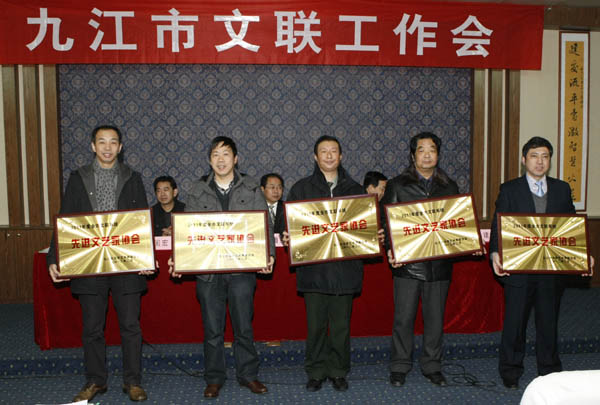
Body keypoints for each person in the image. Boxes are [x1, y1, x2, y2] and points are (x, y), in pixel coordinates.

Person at [47, 125, 151, 402]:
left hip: (126, 262)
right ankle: (95, 381)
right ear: (93, 146)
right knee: (92, 327)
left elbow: (142, 219)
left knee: (130, 326)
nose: (107, 147)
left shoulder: (133, 178)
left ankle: (133, 381)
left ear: (120, 147)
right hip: (90, 262)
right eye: (102, 142)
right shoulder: (78, 178)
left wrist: (146, 256)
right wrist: (54, 256)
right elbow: (66, 219)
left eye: (113, 142)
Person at [169, 136, 275, 399]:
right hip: (208, 273)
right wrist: (178, 258)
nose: (221, 159)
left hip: (242, 271)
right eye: (215, 154)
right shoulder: (197, 190)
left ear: (235, 159)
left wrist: (269, 255)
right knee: (212, 330)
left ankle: (248, 375)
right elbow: (187, 230)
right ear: (209, 160)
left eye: (226, 154)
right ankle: (214, 378)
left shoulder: (251, 187)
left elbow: (265, 225)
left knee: (243, 327)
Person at [490, 136, 594, 390]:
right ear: (524, 160)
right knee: (515, 322)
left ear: (550, 161)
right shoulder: (510, 189)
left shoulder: (561, 189)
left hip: (550, 268)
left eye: (545, 157)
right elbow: (497, 225)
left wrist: (583, 255)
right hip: (518, 268)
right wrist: (494, 254)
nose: (540, 162)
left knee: (548, 321)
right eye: (534, 156)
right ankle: (510, 371)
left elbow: (570, 228)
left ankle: (549, 371)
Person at [284, 135, 364, 392]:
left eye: (333, 151)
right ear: (315, 157)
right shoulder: (301, 189)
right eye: (323, 151)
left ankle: (338, 370)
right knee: (316, 326)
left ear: (341, 156)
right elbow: (288, 224)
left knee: (341, 326)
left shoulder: (355, 190)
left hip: (345, 270)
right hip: (314, 270)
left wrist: (374, 235)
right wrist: (288, 235)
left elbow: (364, 227)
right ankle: (316, 371)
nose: (329, 155)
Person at [380, 132, 459, 388]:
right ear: (413, 155)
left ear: (438, 154)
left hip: (439, 264)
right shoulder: (398, 185)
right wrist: (391, 250)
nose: (427, 155)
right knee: (404, 318)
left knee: (435, 319)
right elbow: (386, 221)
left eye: (432, 150)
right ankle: (399, 365)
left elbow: (457, 223)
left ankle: (432, 365)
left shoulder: (449, 186)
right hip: (408, 264)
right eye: (421, 150)